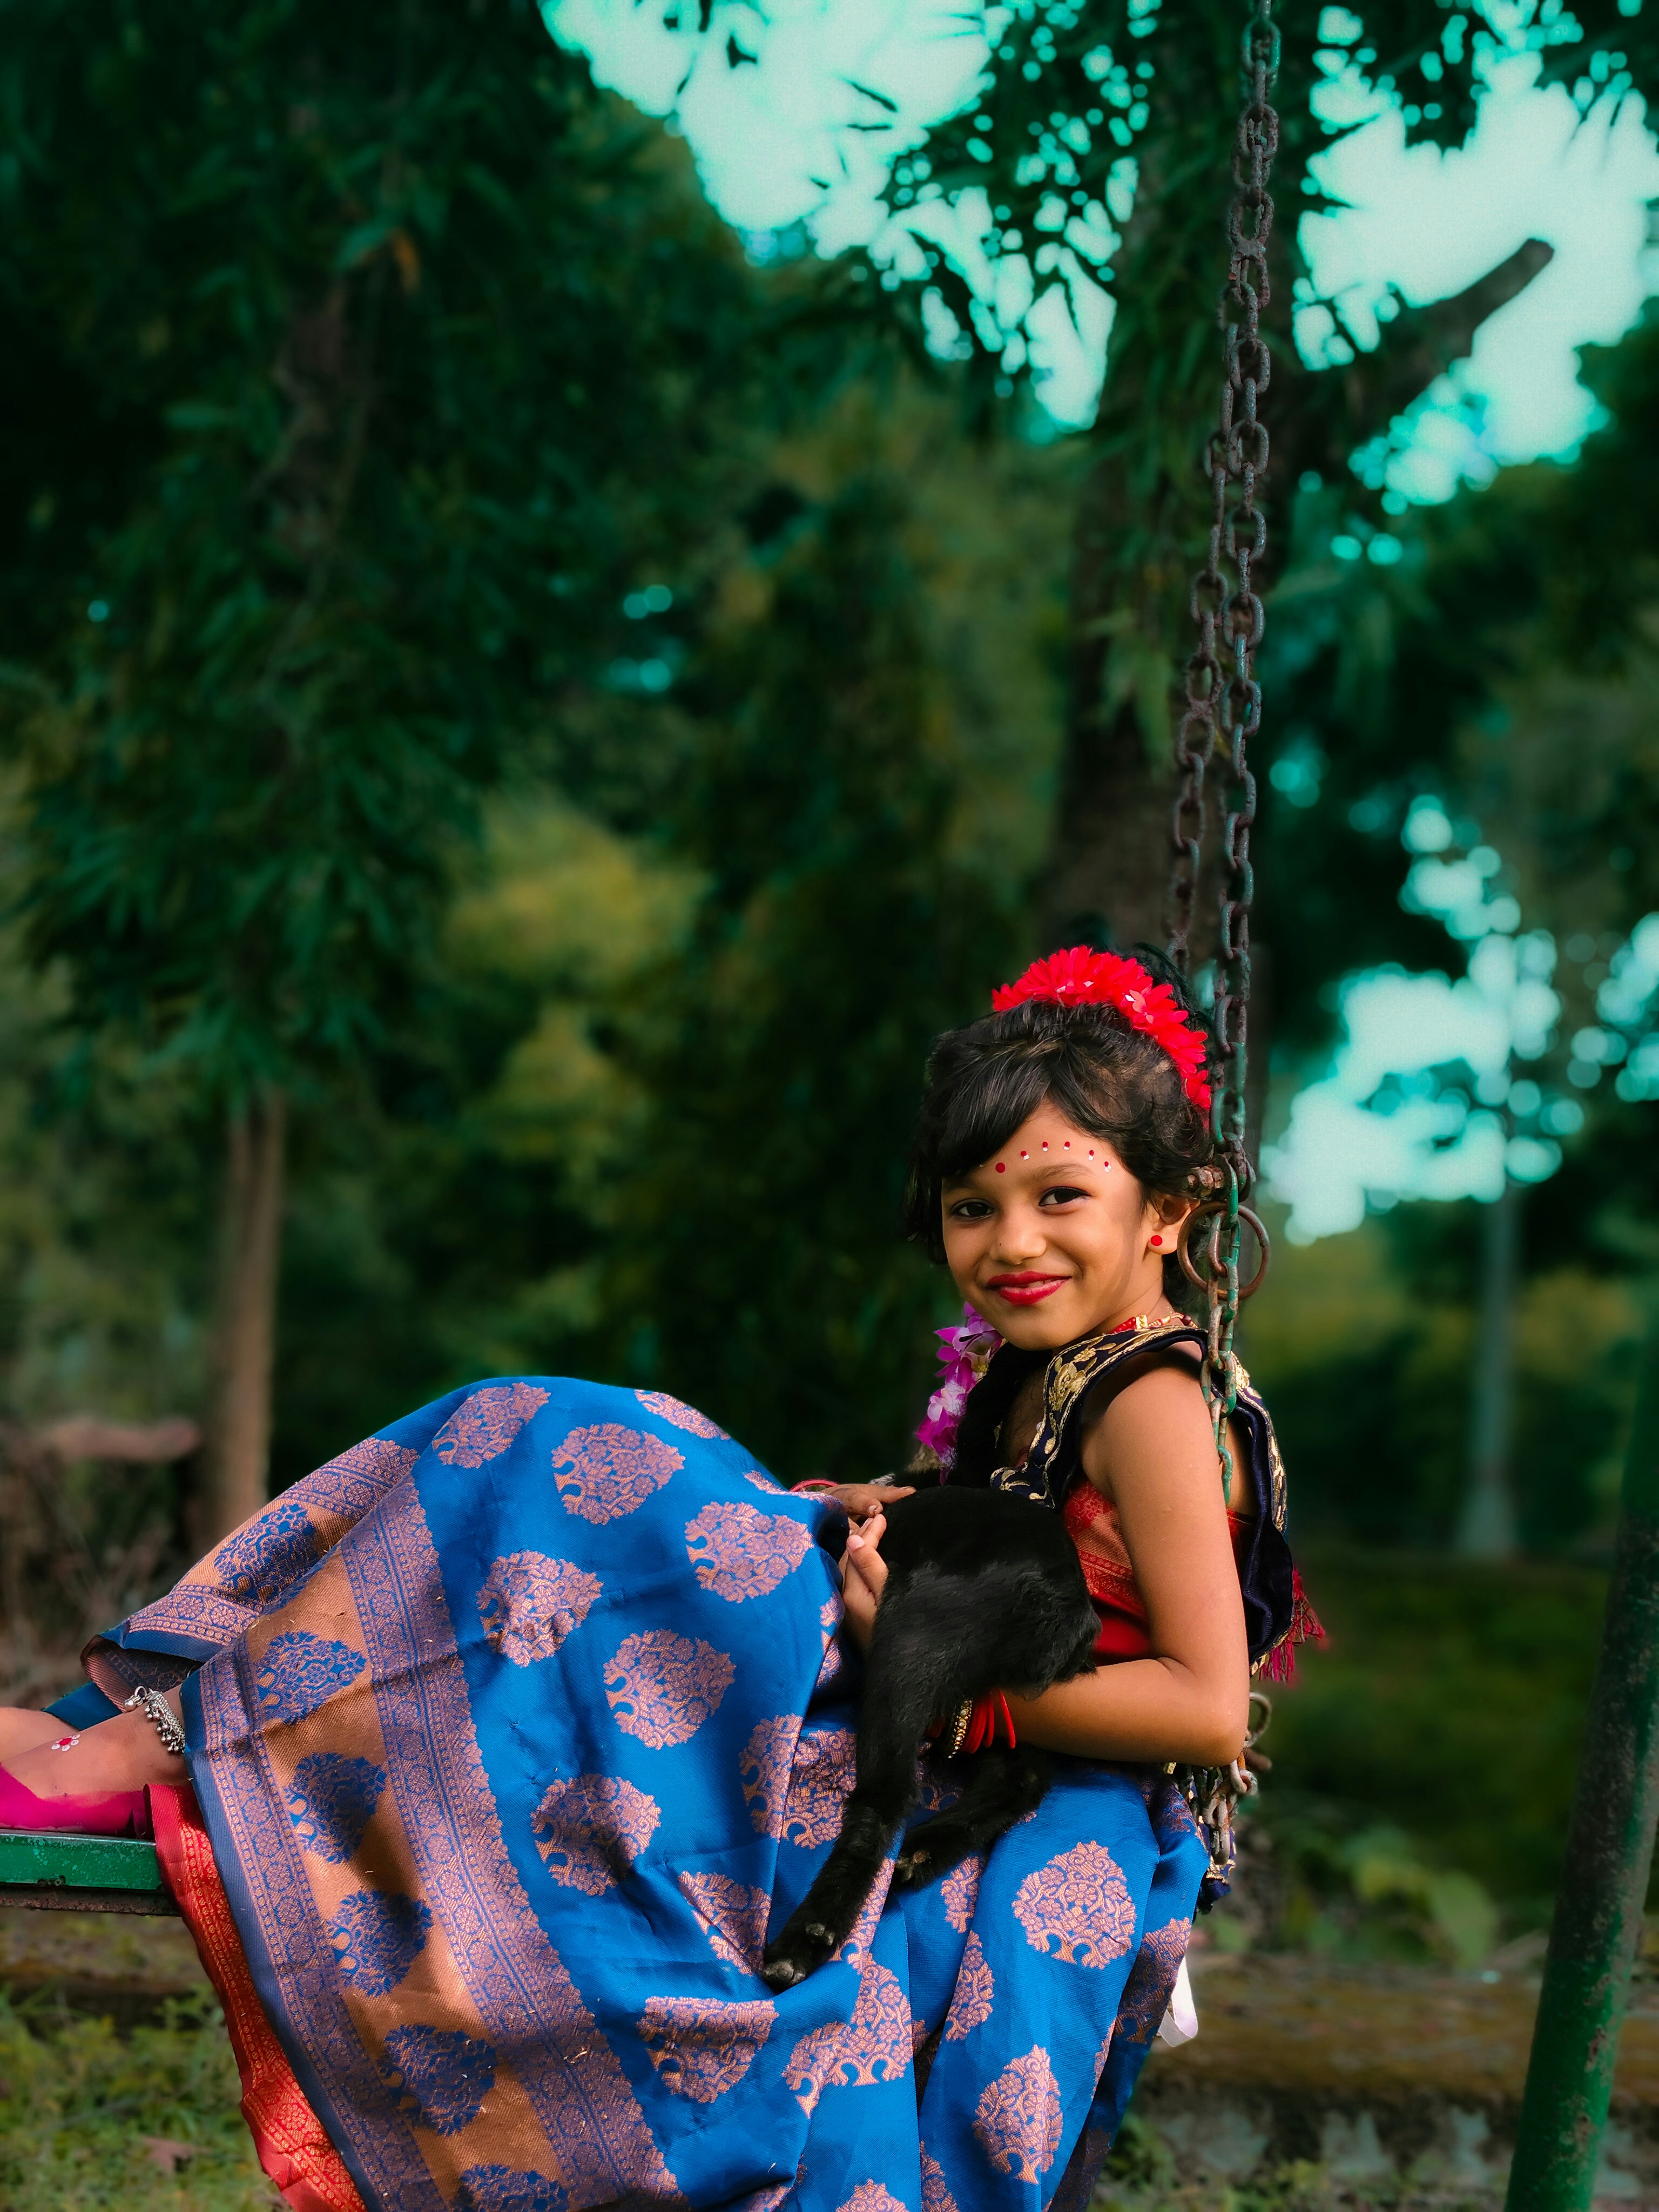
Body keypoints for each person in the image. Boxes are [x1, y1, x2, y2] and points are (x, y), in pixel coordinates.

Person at [0, 946, 1316, 2212]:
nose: (1010, 1241)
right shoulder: (1056, 1365)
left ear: (1173, 1207)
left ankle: (154, 1747)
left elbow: (1206, 1706)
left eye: (1060, 1195)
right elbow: (1016, 1541)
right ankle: (172, 1741)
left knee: (556, 1453)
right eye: (974, 1206)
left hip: (1009, 1752)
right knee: (546, 1465)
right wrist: (876, 1509)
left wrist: (954, 1707)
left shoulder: (1150, 1396)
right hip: (913, 1674)